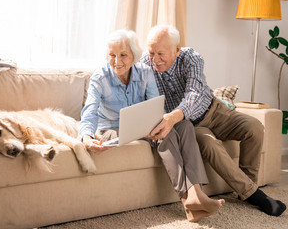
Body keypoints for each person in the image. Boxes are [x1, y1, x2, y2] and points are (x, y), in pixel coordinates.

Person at [79, 29, 224, 222]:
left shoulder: (145, 73)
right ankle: (188, 199)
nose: (117, 61)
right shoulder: (100, 78)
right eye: (112, 55)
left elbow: (156, 106)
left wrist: (154, 124)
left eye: (123, 55)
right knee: (166, 134)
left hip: (142, 126)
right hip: (112, 130)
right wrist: (87, 137)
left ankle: (195, 194)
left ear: (134, 56)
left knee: (184, 126)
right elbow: (89, 111)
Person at [142, 24, 286, 217]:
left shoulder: (191, 58)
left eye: (160, 53)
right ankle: (255, 195)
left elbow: (194, 93)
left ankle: (247, 187)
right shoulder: (144, 66)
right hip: (191, 125)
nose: (154, 59)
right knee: (210, 145)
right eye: (151, 52)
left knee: (254, 127)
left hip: (215, 111)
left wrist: (172, 116)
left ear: (177, 50)